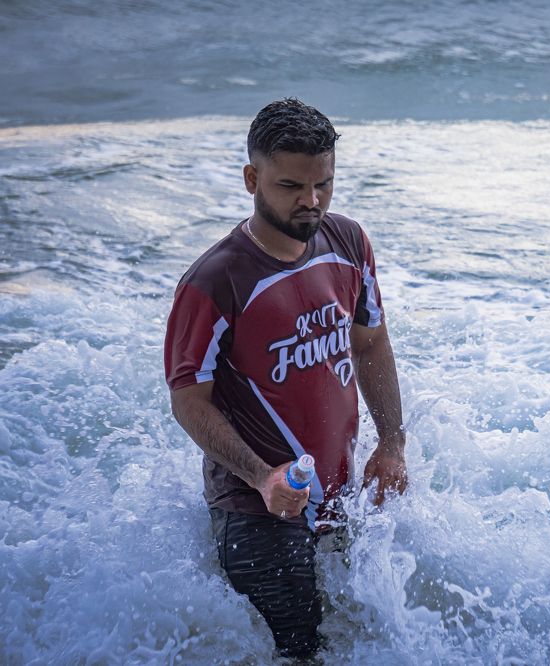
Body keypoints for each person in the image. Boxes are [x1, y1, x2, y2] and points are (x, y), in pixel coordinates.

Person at [163, 98, 407, 659]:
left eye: (324, 184)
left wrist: (392, 443)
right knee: (298, 651)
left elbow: (370, 343)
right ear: (252, 178)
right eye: (291, 186)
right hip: (254, 506)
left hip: (340, 496)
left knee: (362, 635)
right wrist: (260, 476)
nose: (311, 201)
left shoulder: (347, 242)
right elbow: (188, 402)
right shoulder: (215, 280)